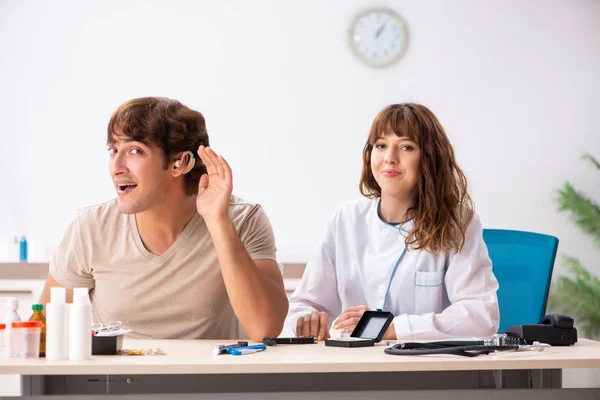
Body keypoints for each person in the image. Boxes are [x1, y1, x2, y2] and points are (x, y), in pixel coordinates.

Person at [39, 97, 288, 341]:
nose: (116, 166)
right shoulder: (92, 226)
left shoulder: (243, 219)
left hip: (207, 380)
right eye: (113, 150)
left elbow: (265, 328)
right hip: (112, 381)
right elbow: (45, 328)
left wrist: (217, 221)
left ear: (180, 162)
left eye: (135, 151)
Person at [284, 103, 499, 341]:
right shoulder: (345, 220)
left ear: (430, 157)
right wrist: (309, 320)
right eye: (381, 145)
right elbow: (303, 305)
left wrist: (391, 328)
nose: (390, 158)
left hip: (426, 369)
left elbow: (481, 316)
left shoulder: (457, 222)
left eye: (406, 147)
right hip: (353, 366)